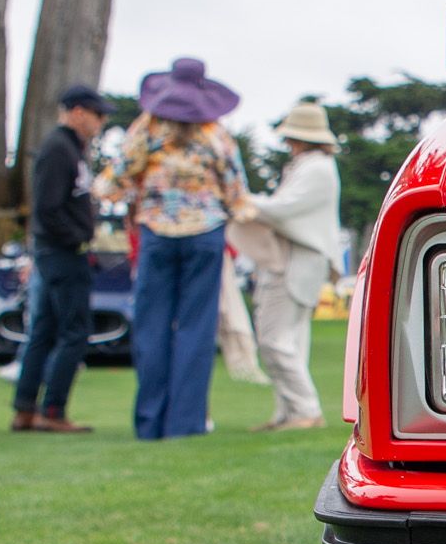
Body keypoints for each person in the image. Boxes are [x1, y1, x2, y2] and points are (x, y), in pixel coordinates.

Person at [97, 58, 250, 440]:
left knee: (151, 328)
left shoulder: (146, 129)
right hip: (205, 235)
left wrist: (134, 191)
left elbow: (114, 180)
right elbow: (236, 191)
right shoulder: (216, 134)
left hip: (156, 234)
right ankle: (186, 423)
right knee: (196, 330)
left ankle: (149, 423)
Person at [229, 101, 343, 431]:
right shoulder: (307, 165)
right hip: (293, 258)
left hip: (297, 260)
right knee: (288, 340)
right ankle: (289, 412)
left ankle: (305, 409)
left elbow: (284, 210)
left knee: (275, 340)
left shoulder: (317, 168)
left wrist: (242, 201)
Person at [12, 84, 110, 433]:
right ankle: (53, 410)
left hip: (56, 251)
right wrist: (79, 239)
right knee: (74, 331)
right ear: (78, 111)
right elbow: (47, 209)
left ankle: (25, 408)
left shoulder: (71, 149)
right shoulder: (58, 149)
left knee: (45, 329)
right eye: (97, 115)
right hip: (62, 253)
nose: (100, 123)